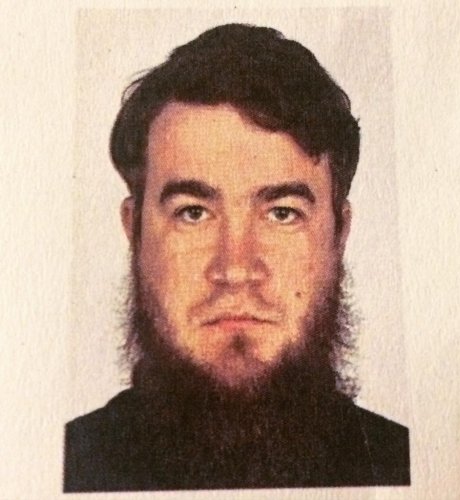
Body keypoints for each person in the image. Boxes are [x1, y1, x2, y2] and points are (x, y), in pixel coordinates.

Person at [64, 23, 410, 492]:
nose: (235, 269)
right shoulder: (58, 467)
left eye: (282, 213)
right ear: (135, 230)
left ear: (340, 233)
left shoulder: (408, 467)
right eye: (193, 213)